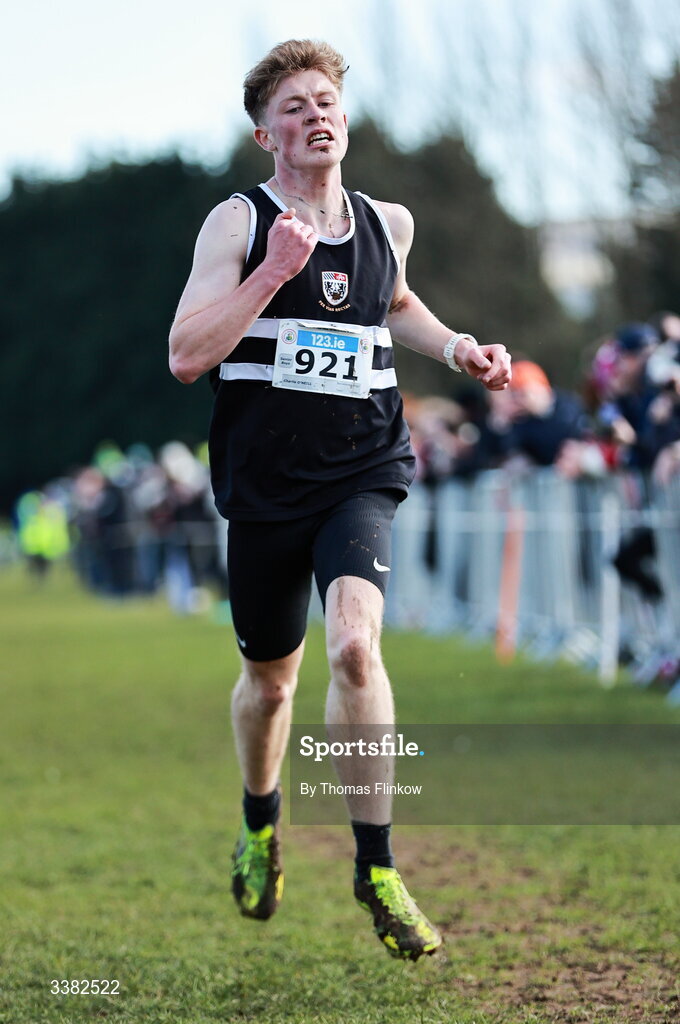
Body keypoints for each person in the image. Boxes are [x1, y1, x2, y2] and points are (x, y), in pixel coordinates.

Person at [168, 39, 511, 961]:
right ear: (263, 134)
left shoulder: (384, 221)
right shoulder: (237, 225)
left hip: (363, 466)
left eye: (325, 101)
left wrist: (460, 350)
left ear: (344, 119)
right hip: (265, 487)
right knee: (272, 683)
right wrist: (274, 270)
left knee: (357, 647)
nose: (314, 115)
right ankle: (260, 819)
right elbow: (187, 354)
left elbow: (396, 304)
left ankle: (379, 866)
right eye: (292, 107)